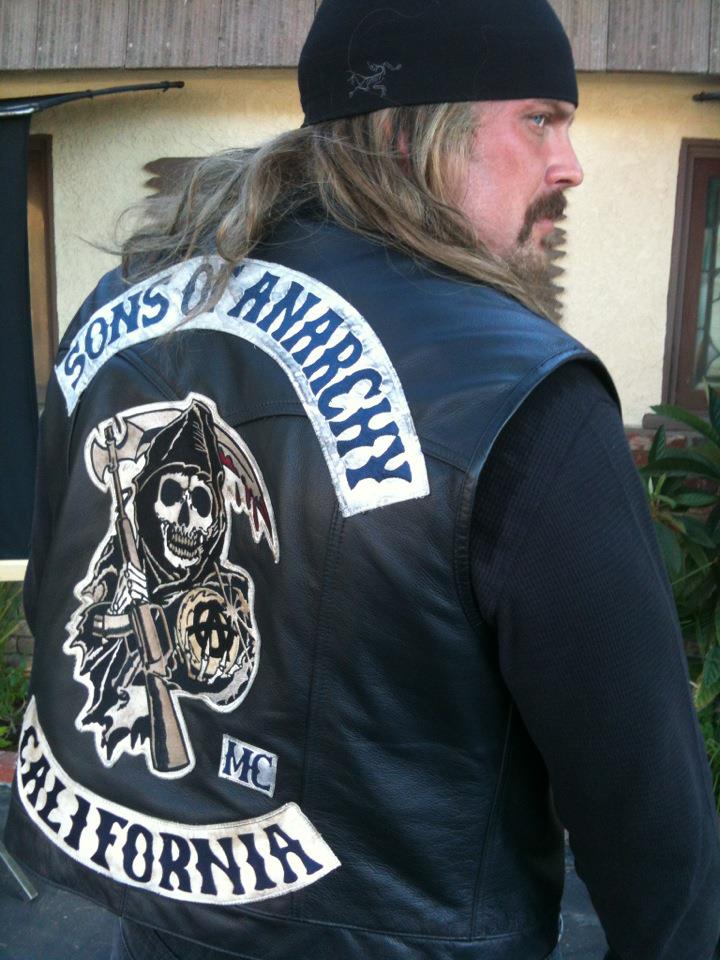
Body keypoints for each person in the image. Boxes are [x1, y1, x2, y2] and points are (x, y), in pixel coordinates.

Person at [6, 1, 720, 958]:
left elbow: (47, 597)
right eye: (539, 119)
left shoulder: (115, 319)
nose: (569, 166)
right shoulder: (520, 389)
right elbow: (648, 814)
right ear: (409, 133)